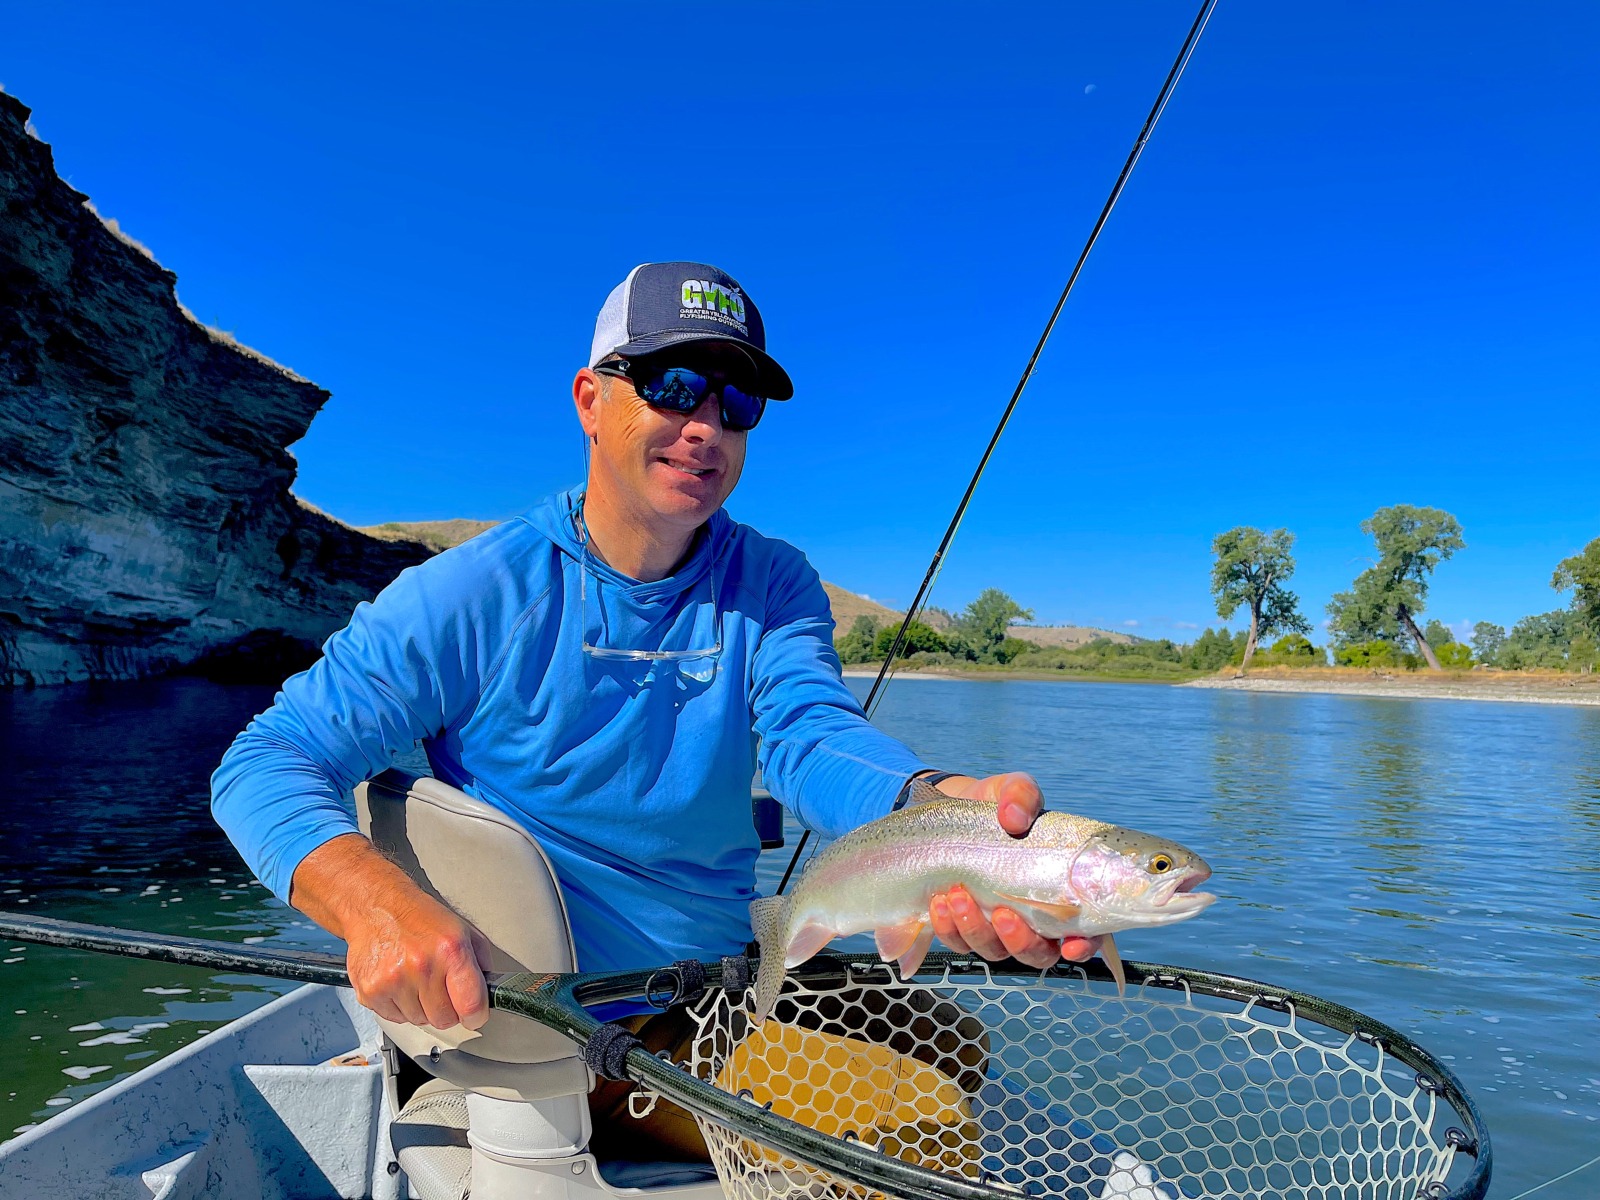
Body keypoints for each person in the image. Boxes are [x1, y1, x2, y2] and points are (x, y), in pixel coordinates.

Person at [210, 260, 1100, 1153]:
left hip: (727, 980)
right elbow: (266, 761)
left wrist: (932, 808)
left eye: (736, 401)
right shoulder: (472, 594)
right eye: (674, 387)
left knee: (956, 1044)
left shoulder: (775, 581)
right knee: (918, 1123)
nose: (705, 427)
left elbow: (807, 736)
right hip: (575, 1026)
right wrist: (376, 908)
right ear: (591, 400)